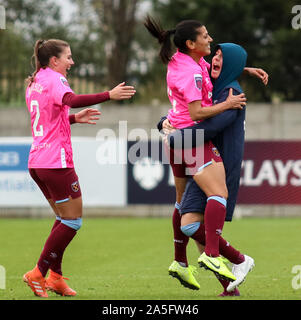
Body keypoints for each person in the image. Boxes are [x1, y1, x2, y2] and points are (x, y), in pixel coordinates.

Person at [23, 39, 136, 298]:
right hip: (56, 162)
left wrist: (73, 118)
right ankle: (38, 273)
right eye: (68, 57)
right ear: (54, 60)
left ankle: (56, 278)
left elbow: (50, 118)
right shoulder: (54, 79)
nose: (72, 62)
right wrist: (109, 95)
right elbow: (71, 99)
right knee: (73, 221)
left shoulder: (35, 81)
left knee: (63, 219)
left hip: (38, 163)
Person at [144, 16, 248, 286]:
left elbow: (212, 68)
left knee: (181, 203)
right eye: (205, 36)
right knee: (219, 192)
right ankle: (215, 255)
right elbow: (197, 112)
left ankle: (180, 261)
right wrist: (227, 104)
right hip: (191, 138)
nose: (210, 40)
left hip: (174, 136)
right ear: (191, 43)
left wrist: (246, 69)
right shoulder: (191, 73)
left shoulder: (182, 60)